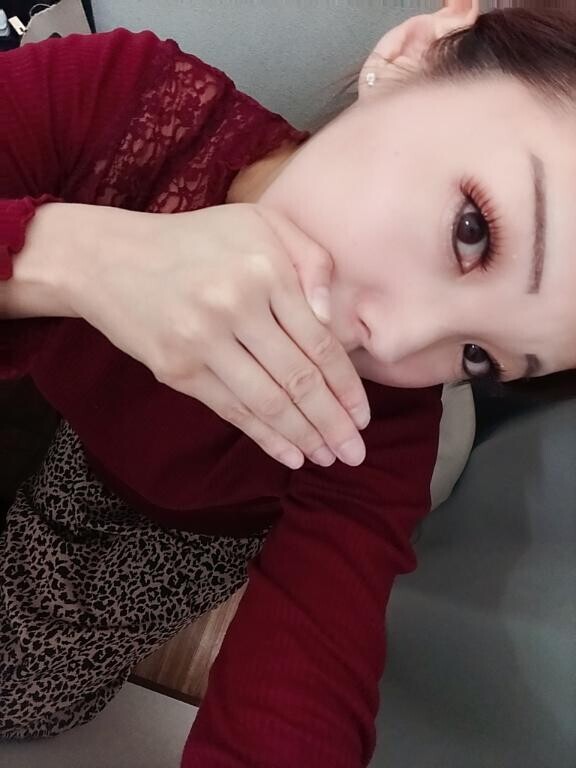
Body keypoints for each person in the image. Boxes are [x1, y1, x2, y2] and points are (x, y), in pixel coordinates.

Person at [1, 1, 574, 766]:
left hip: (170, 515)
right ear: (412, 51)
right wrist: (64, 258)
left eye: (478, 355)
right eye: (472, 230)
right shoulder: (115, 98)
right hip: (51, 397)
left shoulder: (375, 429)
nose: (397, 343)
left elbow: (306, 681)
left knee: (24, 688)